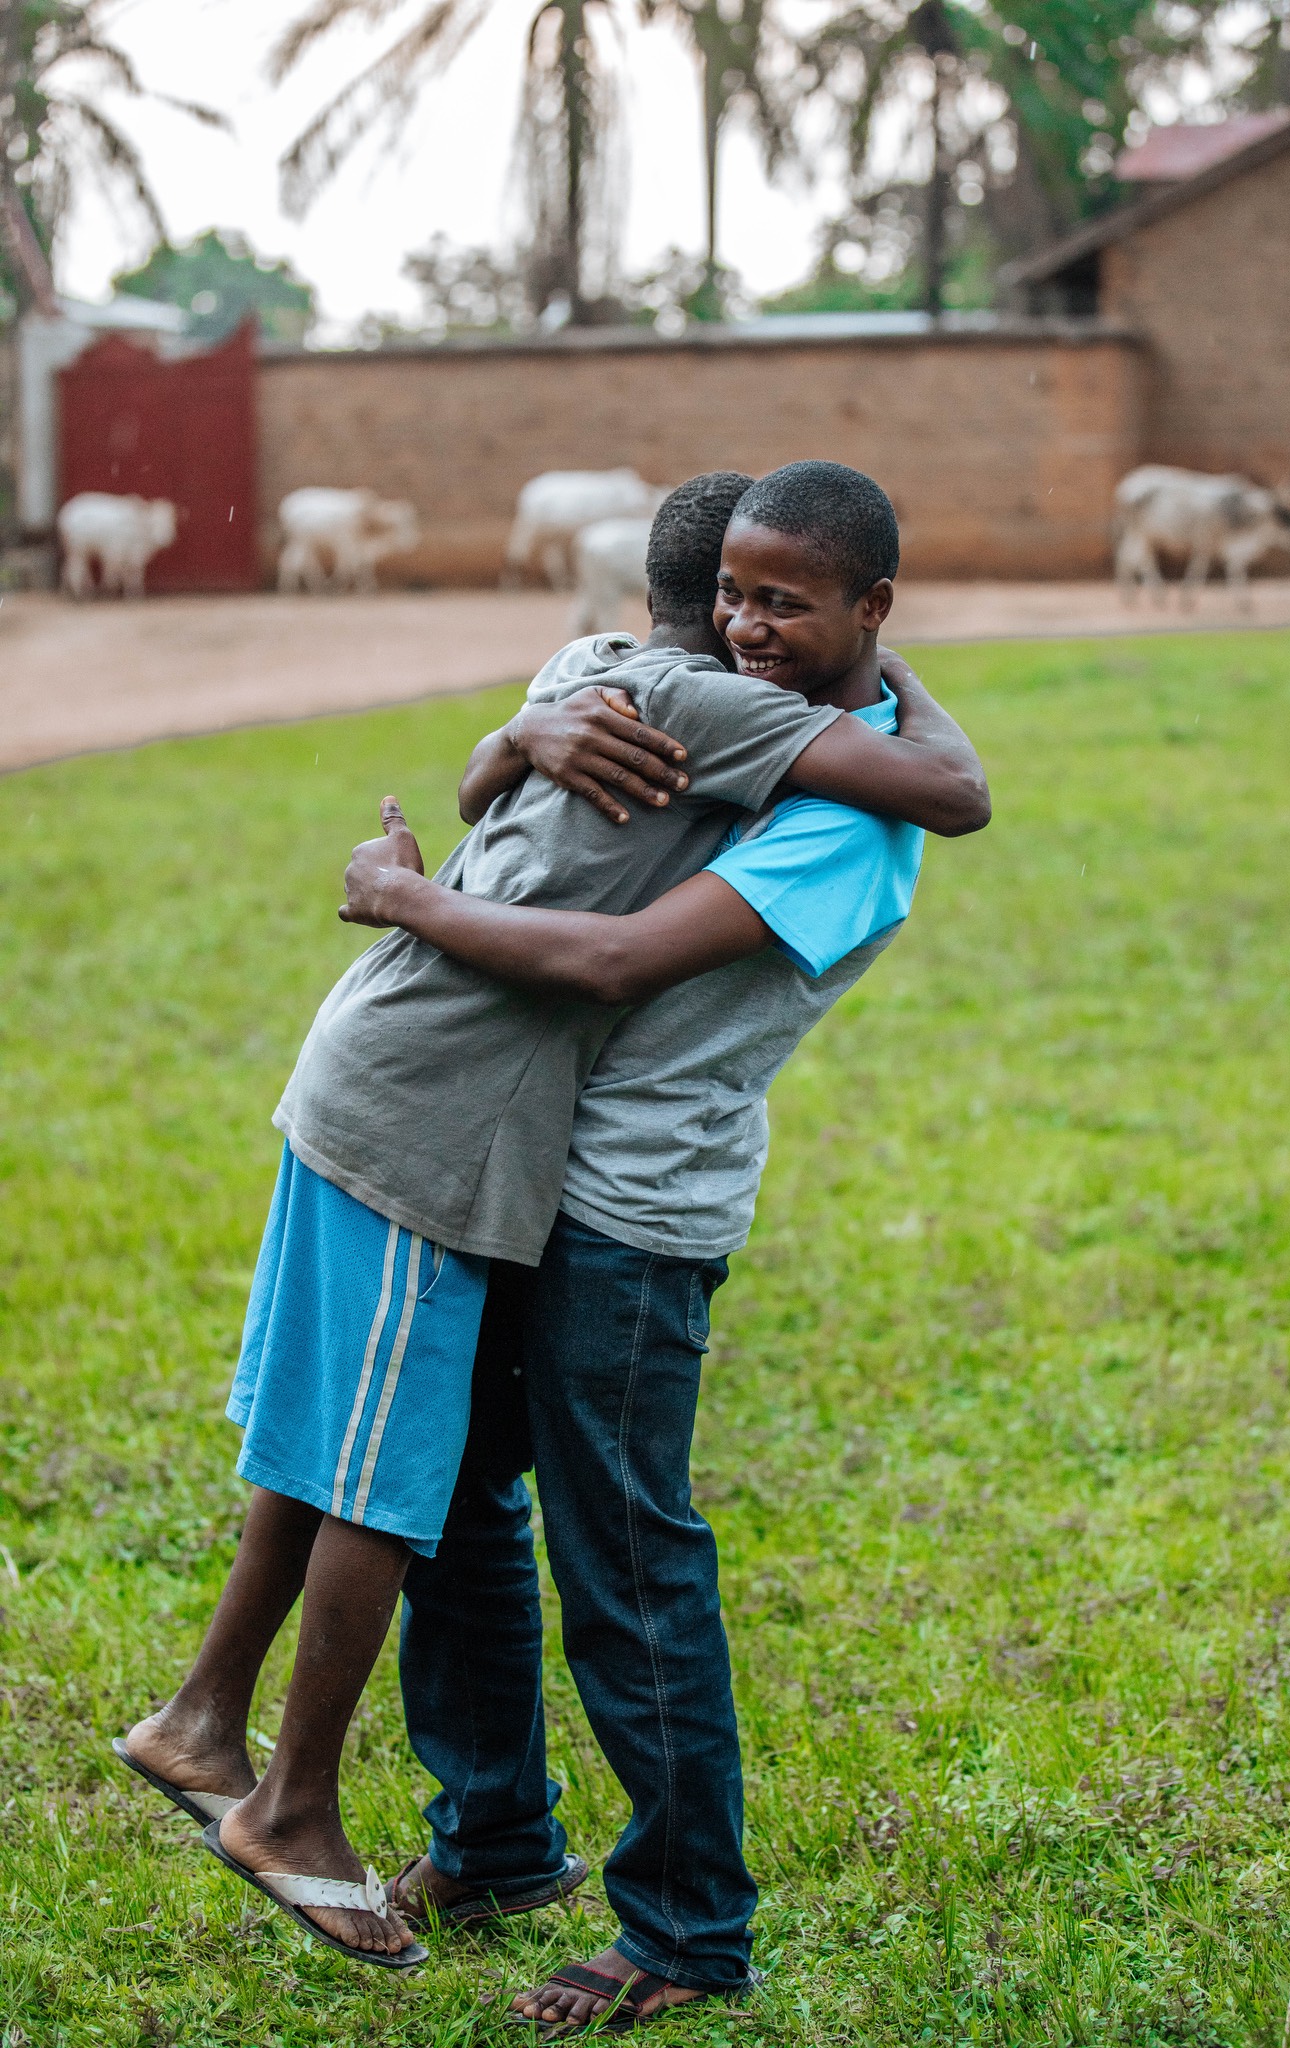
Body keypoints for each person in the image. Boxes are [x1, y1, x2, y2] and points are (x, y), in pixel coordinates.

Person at [111, 468, 984, 1968]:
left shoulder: (818, 792)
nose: (753, 625)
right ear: (700, 602)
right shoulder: (654, 688)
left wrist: (411, 891)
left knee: (622, 1564)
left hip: (629, 1216)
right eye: (739, 597)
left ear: (866, 609)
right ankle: (498, 1844)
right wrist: (517, 735)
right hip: (511, 1159)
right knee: (439, 1498)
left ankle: (683, 1933)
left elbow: (631, 954)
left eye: (788, 603)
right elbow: (536, 767)